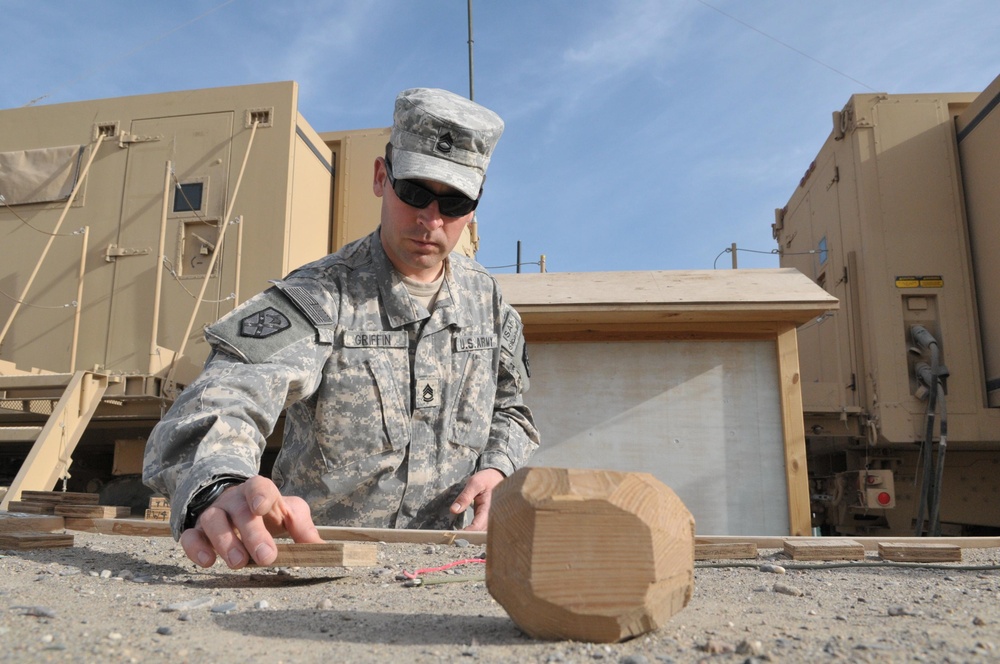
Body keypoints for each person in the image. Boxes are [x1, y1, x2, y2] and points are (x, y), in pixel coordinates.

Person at [143, 88, 539, 570]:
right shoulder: (320, 294)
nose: (430, 218)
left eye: (453, 202)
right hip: (321, 565)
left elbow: (512, 408)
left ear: (474, 207)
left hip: (443, 567)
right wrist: (221, 484)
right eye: (415, 191)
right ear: (380, 177)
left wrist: (498, 468)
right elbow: (225, 395)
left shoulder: (490, 304)